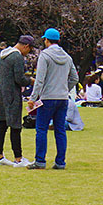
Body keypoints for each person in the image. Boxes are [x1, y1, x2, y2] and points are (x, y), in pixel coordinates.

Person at [29, 29, 77, 170]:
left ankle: (40, 161)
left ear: (47, 40)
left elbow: (39, 80)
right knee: (60, 130)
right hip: (62, 98)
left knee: (42, 129)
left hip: (48, 98)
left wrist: (33, 97)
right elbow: (74, 78)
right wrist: (64, 89)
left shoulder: (45, 56)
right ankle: (60, 162)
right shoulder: (67, 57)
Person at [0, 34, 34, 167]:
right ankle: (18, 158)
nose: (28, 53)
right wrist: (31, 81)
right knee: (15, 125)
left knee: (3, 123)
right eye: (29, 50)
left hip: (0, 92)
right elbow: (19, 79)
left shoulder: (4, 54)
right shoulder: (17, 56)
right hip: (11, 94)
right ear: (26, 46)